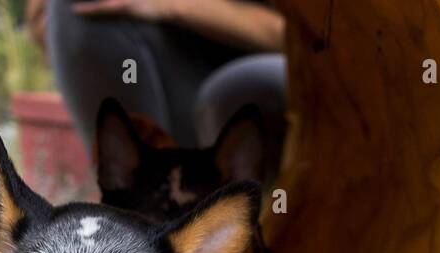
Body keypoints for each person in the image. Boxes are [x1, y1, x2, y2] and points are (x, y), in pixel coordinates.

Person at [27, 0, 287, 151]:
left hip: (269, 73)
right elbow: (40, 24)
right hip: (172, 83)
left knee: (235, 89)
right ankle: (137, 207)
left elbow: (300, 39)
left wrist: (174, 5)